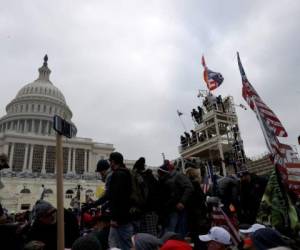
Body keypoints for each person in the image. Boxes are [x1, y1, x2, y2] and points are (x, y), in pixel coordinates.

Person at [157, 161, 193, 237]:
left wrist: (182, 202)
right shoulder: (165, 178)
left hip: (178, 208)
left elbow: (189, 187)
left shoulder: (178, 175)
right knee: (170, 230)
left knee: (177, 231)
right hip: (169, 209)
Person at [107, 152, 133, 250]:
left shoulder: (117, 174)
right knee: (125, 243)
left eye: (110, 161)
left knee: (115, 244)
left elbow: (116, 197)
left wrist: (114, 218)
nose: (110, 164)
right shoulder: (127, 173)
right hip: (126, 216)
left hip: (119, 219)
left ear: (113, 161)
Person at [132, 157, 160, 236]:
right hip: (150, 210)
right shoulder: (150, 177)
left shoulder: (143, 178)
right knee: (150, 233)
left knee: (149, 234)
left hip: (148, 210)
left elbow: (146, 194)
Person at [185, 168, 210, 250]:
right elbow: (201, 199)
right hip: (198, 213)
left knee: (195, 233)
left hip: (191, 213)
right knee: (200, 233)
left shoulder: (186, 185)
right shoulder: (195, 184)